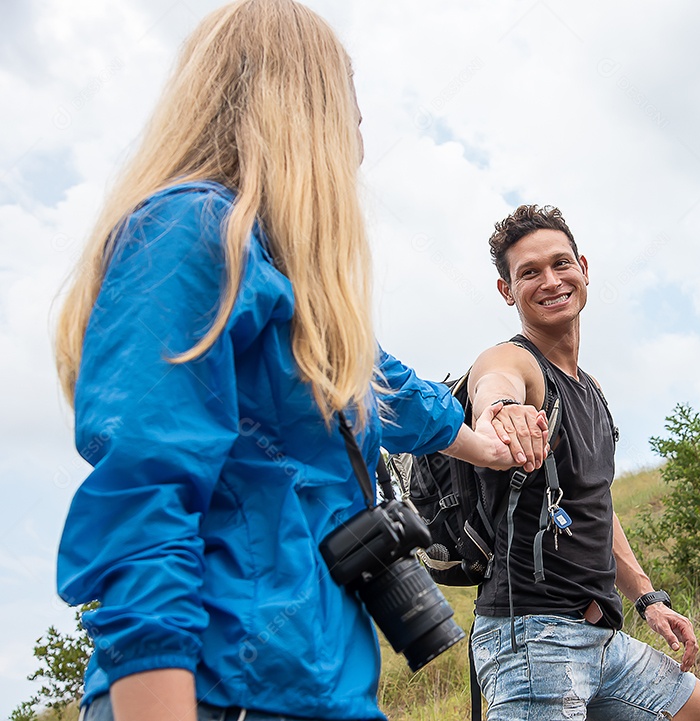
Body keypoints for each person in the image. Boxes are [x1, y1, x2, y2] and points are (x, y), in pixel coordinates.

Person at [52, 3, 547, 721]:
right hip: (223, 690)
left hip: (327, 689)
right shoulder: (188, 235)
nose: (359, 149)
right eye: (351, 119)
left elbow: (402, 396)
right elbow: (145, 497)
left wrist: (497, 447)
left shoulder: (306, 294)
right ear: (298, 112)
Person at [465, 205, 700, 720]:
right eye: (529, 272)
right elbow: (492, 382)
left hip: (602, 640)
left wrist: (647, 597)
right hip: (532, 643)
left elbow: (595, 505)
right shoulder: (517, 361)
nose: (550, 281)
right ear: (507, 291)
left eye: (560, 264)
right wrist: (499, 412)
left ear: (584, 269)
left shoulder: (590, 391)